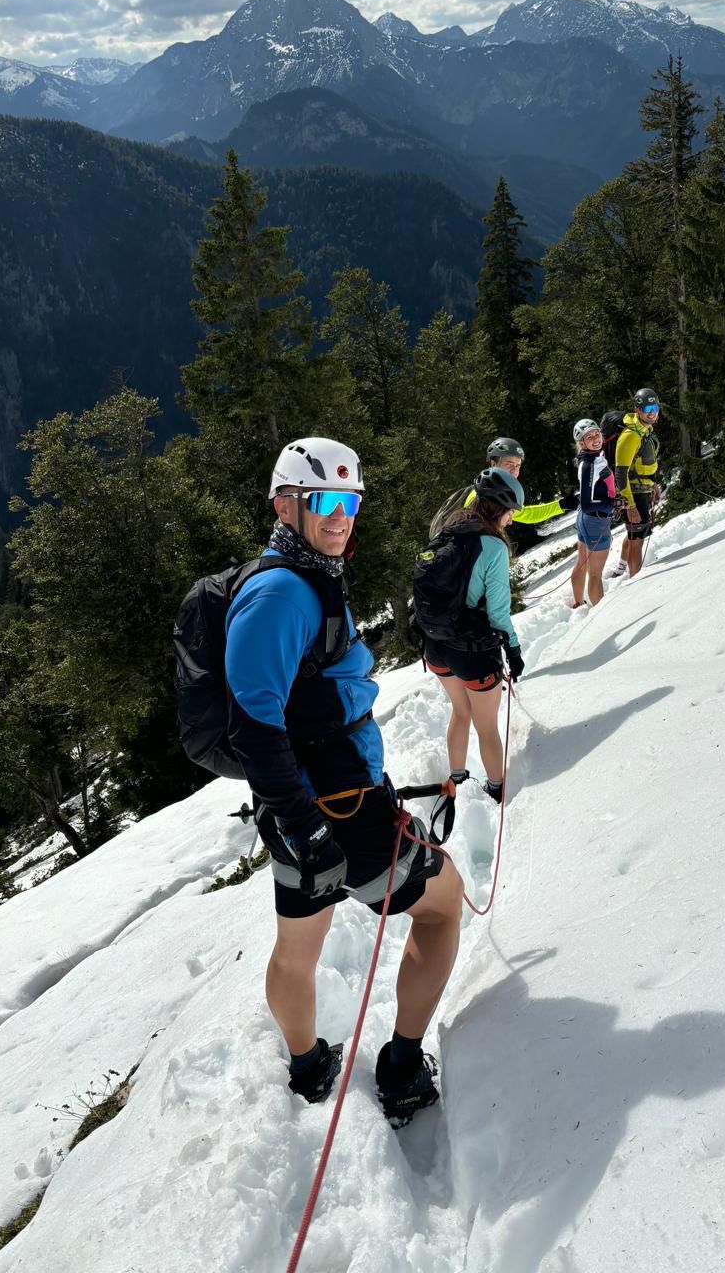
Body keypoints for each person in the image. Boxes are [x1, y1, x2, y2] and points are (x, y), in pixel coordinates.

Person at [224, 437, 464, 1127]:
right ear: (283, 504)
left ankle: (308, 1066)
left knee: (297, 952)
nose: (341, 516)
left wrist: (297, 827)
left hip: (302, 813)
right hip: (341, 814)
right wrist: (310, 828)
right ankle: (402, 1068)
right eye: (324, 501)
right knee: (443, 905)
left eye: (351, 501)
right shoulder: (281, 594)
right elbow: (253, 725)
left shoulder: (303, 576)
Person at [419, 467, 525, 804]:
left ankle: (457, 780)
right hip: (471, 652)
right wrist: (513, 646)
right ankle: (496, 791)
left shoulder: (450, 527)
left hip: (435, 645)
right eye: (510, 512)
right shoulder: (492, 547)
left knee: (460, 712)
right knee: (487, 725)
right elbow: (497, 613)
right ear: (499, 508)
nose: (511, 520)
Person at [428, 435, 577, 545]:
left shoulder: (495, 491)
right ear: (493, 463)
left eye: (518, 466)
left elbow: (526, 514)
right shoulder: (485, 494)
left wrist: (560, 505)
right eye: (509, 464)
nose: (514, 471)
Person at [613, 388, 662, 580]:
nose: (652, 412)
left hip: (642, 489)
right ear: (637, 409)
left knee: (636, 536)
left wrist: (652, 484)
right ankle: (636, 583)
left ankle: (623, 569)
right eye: (647, 407)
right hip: (633, 495)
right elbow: (621, 474)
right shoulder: (631, 435)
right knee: (636, 540)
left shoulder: (645, 430)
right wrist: (630, 505)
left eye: (655, 407)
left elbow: (642, 465)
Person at [568, 419, 617, 607]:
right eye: (589, 437)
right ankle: (599, 617)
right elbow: (589, 503)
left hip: (586, 519)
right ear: (582, 443)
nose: (596, 439)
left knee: (582, 562)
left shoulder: (593, 457)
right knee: (595, 573)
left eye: (597, 434)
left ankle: (578, 603)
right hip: (594, 520)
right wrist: (613, 503)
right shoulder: (589, 464)